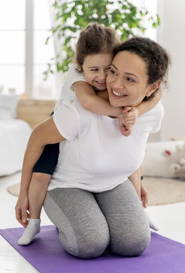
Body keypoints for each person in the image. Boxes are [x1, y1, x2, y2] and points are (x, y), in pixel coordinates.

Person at [16, 25, 161, 246]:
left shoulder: (138, 97)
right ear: (81, 67)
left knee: (134, 241)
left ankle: (137, 214)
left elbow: (156, 96)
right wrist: (121, 113)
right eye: (94, 70)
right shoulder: (79, 85)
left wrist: (136, 111)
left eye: (110, 70)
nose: (104, 78)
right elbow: (88, 102)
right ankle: (35, 220)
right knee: (42, 177)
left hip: (105, 175)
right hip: (62, 130)